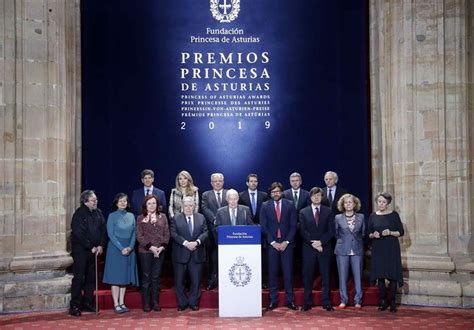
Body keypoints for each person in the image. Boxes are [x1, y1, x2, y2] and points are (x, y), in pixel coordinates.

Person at [260, 182, 298, 311]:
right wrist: (273, 242)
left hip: (287, 245)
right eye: (273, 192)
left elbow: (294, 226)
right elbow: (263, 226)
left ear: (282, 192)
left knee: (288, 274)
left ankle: (290, 300)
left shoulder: (290, 205)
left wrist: (286, 242)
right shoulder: (265, 206)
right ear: (270, 194)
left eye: (278, 191)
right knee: (272, 273)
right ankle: (273, 300)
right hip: (272, 245)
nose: (275, 194)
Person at [69, 190, 107, 317]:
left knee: (91, 278)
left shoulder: (98, 213)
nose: (96, 202)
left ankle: (88, 302)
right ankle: (74, 305)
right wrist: (90, 246)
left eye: (96, 199)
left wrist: (101, 245)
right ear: (85, 201)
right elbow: (79, 233)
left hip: (95, 251)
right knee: (79, 278)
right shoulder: (79, 214)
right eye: (93, 200)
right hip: (82, 251)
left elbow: (103, 229)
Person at [299, 187, 335, 312]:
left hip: (324, 248)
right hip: (309, 249)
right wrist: (313, 243)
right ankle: (307, 302)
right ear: (310, 197)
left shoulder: (328, 211)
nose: (316, 197)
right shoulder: (303, 212)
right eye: (314, 196)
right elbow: (303, 231)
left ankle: (326, 302)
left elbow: (331, 230)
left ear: (322, 197)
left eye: (319, 195)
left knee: (326, 277)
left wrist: (321, 242)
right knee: (308, 277)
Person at [368, 192, 404, 313]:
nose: (381, 204)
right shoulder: (373, 216)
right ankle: (383, 301)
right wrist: (374, 234)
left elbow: (401, 232)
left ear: (388, 203)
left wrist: (390, 232)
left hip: (391, 248)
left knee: (392, 275)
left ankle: (393, 301)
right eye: (379, 202)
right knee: (380, 276)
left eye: (383, 202)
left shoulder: (394, 215)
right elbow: (369, 233)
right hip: (378, 248)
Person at [170, 197, 208, 311]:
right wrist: (186, 243)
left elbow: (206, 232)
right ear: (182, 206)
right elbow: (173, 233)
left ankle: (193, 302)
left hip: (197, 254)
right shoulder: (176, 218)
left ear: (194, 206)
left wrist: (197, 242)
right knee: (179, 281)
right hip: (180, 254)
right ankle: (182, 303)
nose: (188, 208)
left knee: (196, 281)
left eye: (190, 205)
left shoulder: (201, 217)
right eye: (186, 205)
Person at [103, 193, 138, 314]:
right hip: (115, 250)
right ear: (116, 203)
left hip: (129, 249)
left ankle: (122, 302)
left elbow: (134, 233)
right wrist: (121, 248)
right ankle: (116, 304)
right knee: (116, 278)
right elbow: (111, 234)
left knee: (124, 278)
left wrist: (130, 247)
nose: (123, 203)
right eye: (120, 201)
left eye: (125, 201)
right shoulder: (112, 216)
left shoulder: (131, 216)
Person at [136, 194, 170, 312]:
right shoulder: (140, 218)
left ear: (157, 205)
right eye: (149, 203)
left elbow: (167, 234)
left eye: (154, 203)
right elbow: (139, 236)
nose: (152, 205)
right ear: (145, 205)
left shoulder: (163, 217)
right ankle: (146, 304)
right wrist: (151, 247)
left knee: (156, 277)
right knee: (146, 277)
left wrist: (161, 247)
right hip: (145, 251)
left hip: (160, 251)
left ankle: (155, 303)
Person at [334, 193, 365, 309]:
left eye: (350, 202)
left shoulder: (361, 217)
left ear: (355, 204)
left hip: (357, 249)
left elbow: (363, 233)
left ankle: (358, 300)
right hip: (342, 250)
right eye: (346, 202)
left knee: (358, 277)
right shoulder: (338, 218)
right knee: (342, 277)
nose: (348, 204)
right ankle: (344, 300)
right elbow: (336, 233)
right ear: (343, 204)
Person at [238, 174, 269, 288]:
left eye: (255, 181)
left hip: (262, 231)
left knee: (263, 257)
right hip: (248, 232)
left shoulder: (264, 195)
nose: (253, 183)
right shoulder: (241, 196)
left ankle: (263, 281)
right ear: (247, 183)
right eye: (251, 181)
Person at [201, 172, 228, 290]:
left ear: (223, 182)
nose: (217, 183)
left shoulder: (229, 193)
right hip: (211, 231)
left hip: (227, 231)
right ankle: (212, 279)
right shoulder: (206, 194)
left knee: (226, 256)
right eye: (215, 181)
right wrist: (215, 219)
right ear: (211, 183)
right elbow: (204, 208)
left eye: (220, 181)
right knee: (212, 257)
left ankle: (226, 279)